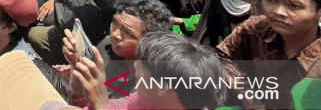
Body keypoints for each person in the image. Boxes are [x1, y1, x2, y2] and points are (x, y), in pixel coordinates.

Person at [217, 0, 321, 107]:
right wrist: (249, 97)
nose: (278, 12)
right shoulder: (256, 29)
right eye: (270, 0)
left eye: (294, 6)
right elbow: (222, 58)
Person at [64, 31, 228, 110]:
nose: (136, 66)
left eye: (143, 65)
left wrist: (100, 104)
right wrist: (80, 86)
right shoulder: (147, 99)